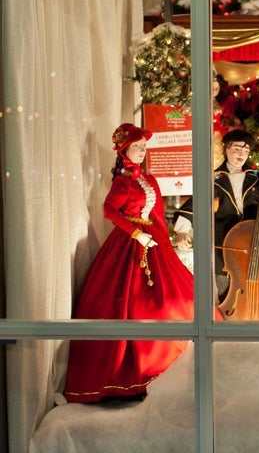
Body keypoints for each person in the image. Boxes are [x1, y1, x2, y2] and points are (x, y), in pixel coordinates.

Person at [64, 123, 195, 403]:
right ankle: (128, 372)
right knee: (130, 300)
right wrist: (136, 233)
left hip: (151, 239)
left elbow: (157, 212)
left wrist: (161, 240)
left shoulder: (148, 180)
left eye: (144, 147)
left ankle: (160, 364)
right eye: (137, 147)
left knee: (168, 297)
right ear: (124, 151)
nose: (142, 151)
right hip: (129, 243)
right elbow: (109, 210)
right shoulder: (122, 182)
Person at [173, 128, 259, 303]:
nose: (241, 154)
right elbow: (194, 204)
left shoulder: (256, 179)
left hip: (252, 241)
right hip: (224, 243)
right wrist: (183, 229)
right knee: (224, 286)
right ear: (226, 149)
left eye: (246, 150)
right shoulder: (214, 178)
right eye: (236, 149)